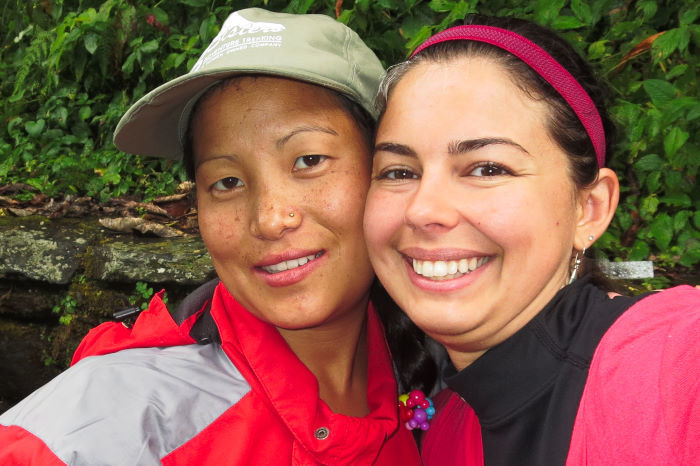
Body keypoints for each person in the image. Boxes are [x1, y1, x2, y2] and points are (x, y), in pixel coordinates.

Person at [0, 8, 434, 464]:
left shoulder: (443, 358)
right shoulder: (125, 421)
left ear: (388, 172)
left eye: (309, 161)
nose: (269, 220)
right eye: (227, 182)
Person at [363, 14, 699, 465]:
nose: (423, 210)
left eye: (487, 168)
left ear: (589, 208)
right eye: (399, 172)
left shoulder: (677, 361)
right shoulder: (446, 432)